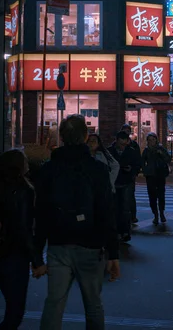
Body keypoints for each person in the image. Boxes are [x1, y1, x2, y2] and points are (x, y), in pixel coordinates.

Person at [35, 115, 120, 330]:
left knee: (54, 303)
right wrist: (113, 253)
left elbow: (40, 214)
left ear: (62, 138)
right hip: (91, 247)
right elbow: (106, 213)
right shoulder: (98, 169)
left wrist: (36, 257)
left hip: (58, 245)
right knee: (93, 305)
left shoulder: (48, 169)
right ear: (85, 136)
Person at [0, 149, 45, 329]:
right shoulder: (24, 191)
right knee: (15, 312)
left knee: (11, 306)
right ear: (19, 166)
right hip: (14, 255)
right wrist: (37, 261)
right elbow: (24, 229)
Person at [109, 129, 141, 241]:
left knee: (125, 208)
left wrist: (132, 171)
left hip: (127, 181)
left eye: (124, 144)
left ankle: (125, 231)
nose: (122, 146)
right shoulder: (109, 152)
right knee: (114, 208)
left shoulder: (131, 152)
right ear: (116, 141)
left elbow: (138, 164)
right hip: (114, 182)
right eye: (120, 144)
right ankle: (117, 231)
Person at [141, 132, 172, 225]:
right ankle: (155, 214)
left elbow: (168, 159)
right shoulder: (146, 151)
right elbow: (142, 162)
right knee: (152, 196)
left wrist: (161, 153)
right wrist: (145, 171)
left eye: (153, 140)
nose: (151, 142)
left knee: (161, 194)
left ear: (156, 140)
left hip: (160, 174)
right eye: (149, 140)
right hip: (150, 175)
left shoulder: (161, 149)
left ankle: (162, 213)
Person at [121, 124, 141, 224]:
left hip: (130, 174)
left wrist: (135, 171)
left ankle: (132, 216)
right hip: (120, 175)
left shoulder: (134, 145)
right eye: (124, 131)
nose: (126, 132)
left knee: (130, 195)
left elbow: (138, 159)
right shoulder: (117, 145)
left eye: (127, 131)